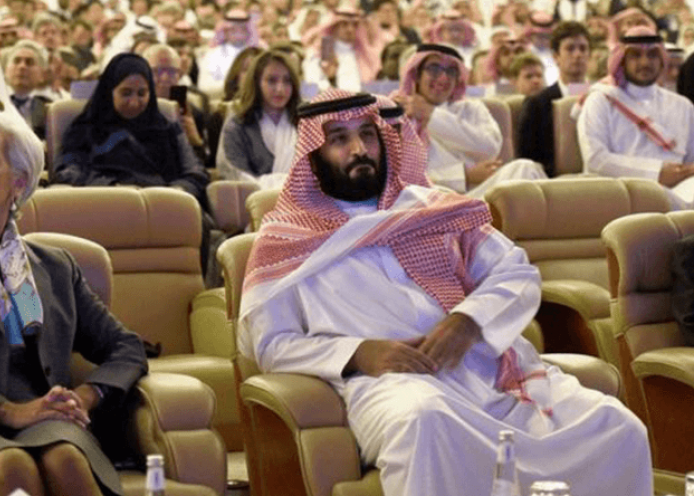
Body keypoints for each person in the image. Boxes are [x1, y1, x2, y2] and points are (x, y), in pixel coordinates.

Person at [238, 88, 653, 496]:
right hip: (391, 384)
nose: (359, 150)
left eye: (367, 134)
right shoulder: (286, 242)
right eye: (339, 139)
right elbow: (273, 344)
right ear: (313, 154)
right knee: (425, 421)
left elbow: (515, 272)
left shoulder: (432, 210)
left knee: (617, 427)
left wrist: (469, 321)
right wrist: (358, 353)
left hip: (483, 371)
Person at [0, 106, 148, 496]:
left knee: (66, 460)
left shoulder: (55, 268)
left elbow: (126, 347)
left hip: (46, 417)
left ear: (18, 183)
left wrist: (84, 397)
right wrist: (10, 412)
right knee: (11, 468)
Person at [53, 53, 209, 208]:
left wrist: (175, 191)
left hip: (165, 206)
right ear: (109, 92)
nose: (134, 102)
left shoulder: (168, 128)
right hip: (105, 205)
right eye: (126, 93)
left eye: (142, 93)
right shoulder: (85, 129)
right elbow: (68, 173)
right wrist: (114, 189)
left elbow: (196, 172)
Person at [394, 43, 546, 198]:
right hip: (430, 199)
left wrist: (432, 115)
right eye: (434, 69)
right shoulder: (396, 112)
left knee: (525, 168)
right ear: (416, 74)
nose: (443, 78)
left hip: (477, 195)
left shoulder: (471, 108)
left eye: (451, 71)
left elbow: (490, 148)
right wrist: (463, 176)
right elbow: (403, 176)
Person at [577, 26, 694, 209]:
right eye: (635, 55)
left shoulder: (683, 105)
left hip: (680, 192)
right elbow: (595, 160)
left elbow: (691, 161)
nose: (645, 62)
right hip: (620, 193)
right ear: (622, 60)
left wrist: (681, 174)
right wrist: (657, 173)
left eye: (653, 55)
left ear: (662, 60)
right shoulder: (600, 100)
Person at [217, 49, 301, 189]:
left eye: (287, 81)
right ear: (256, 83)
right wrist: (281, 186)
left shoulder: (306, 122)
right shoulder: (237, 126)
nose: (280, 89)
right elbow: (237, 179)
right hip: (254, 200)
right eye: (271, 81)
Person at [517, 21, 591, 177]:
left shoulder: (603, 97)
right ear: (556, 57)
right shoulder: (537, 104)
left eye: (583, 49)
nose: (578, 54)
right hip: (551, 182)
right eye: (570, 49)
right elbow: (527, 159)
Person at [4, 39, 52, 140]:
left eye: (29, 62)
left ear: (42, 75)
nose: (22, 66)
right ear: (6, 70)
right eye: (16, 61)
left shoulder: (49, 109)